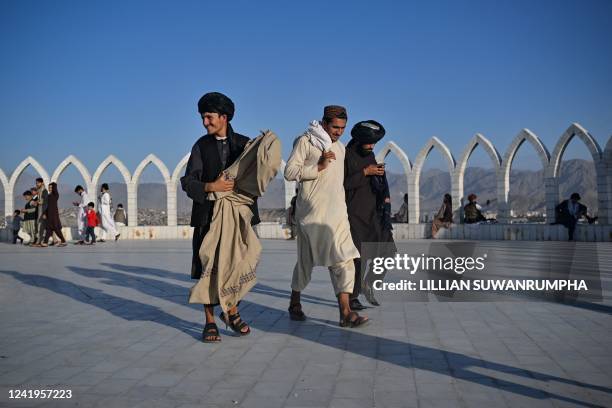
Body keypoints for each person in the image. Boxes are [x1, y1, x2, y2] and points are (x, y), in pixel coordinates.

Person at [181, 91, 262, 343]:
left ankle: (231, 311)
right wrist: (210, 187)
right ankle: (209, 320)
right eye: (203, 118)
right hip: (208, 216)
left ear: (224, 117)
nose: (205, 123)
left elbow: (257, 178)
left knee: (236, 266)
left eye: (209, 117)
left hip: (239, 218)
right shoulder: (201, 146)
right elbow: (188, 181)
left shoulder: (244, 144)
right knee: (209, 268)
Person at [284, 105, 369, 328]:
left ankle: (345, 313)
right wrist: (318, 166)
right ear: (324, 123)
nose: (339, 132)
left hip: (337, 214)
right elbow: (290, 172)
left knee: (344, 259)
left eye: (343, 128)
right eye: (335, 127)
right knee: (305, 262)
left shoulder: (340, 149)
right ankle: (295, 303)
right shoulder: (306, 142)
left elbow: (340, 181)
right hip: (313, 213)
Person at [344, 120, 396, 308]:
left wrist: (385, 194)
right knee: (358, 258)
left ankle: (369, 283)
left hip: (374, 214)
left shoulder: (370, 155)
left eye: (374, 143)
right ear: (359, 140)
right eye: (369, 143)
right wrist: (365, 172)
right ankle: (352, 297)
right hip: (354, 215)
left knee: (388, 251)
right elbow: (342, 185)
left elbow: (377, 180)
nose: (372, 146)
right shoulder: (346, 156)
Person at [41, 182, 67, 247]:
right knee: (49, 229)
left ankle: (63, 241)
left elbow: (55, 192)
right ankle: (45, 242)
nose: (50, 189)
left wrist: (54, 186)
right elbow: (47, 206)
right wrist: (44, 213)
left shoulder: (55, 195)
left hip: (54, 215)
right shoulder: (48, 196)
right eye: (49, 187)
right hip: (49, 214)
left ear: (54, 188)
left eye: (51, 187)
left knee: (56, 228)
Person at [32, 178, 48, 246]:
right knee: (42, 226)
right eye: (36, 183)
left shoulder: (44, 191)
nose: (37, 184)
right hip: (40, 210)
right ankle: (40, 241)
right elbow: (36, 199)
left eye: (38, 183)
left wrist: (45, 213)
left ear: (42, 183)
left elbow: (46, 201)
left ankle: (41, 241)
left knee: (43, 226)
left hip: (43, 210)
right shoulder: (39, 191)